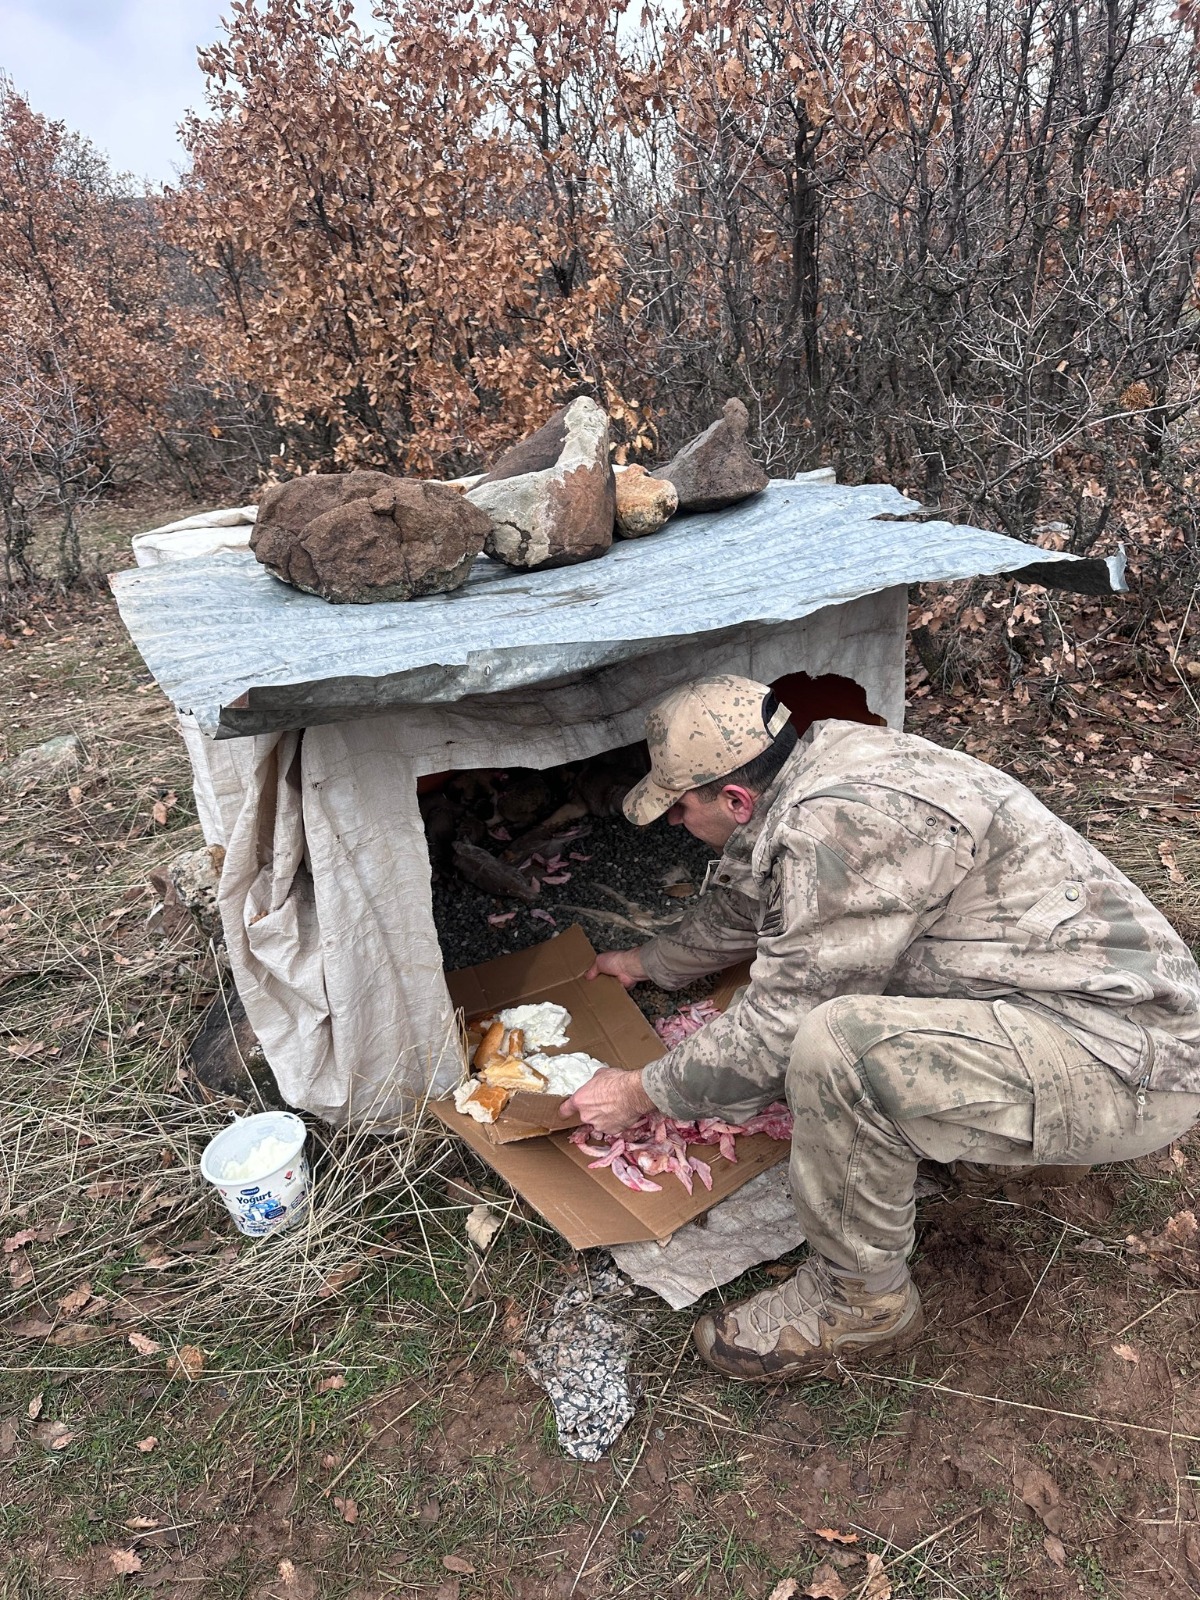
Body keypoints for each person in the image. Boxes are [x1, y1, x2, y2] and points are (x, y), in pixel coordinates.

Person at [560, 674, 1200, 1382]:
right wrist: (648, 963)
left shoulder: (835, 827)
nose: (676, 824)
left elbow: (781, 1026)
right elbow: (750, 893)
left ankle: (861, 1304)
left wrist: (641, 1091)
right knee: (837, 1020)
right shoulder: (822, 762)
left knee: (837, 1048)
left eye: (680, 809)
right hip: (1088, 1001)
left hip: (1127, 1061)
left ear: (735, 798)